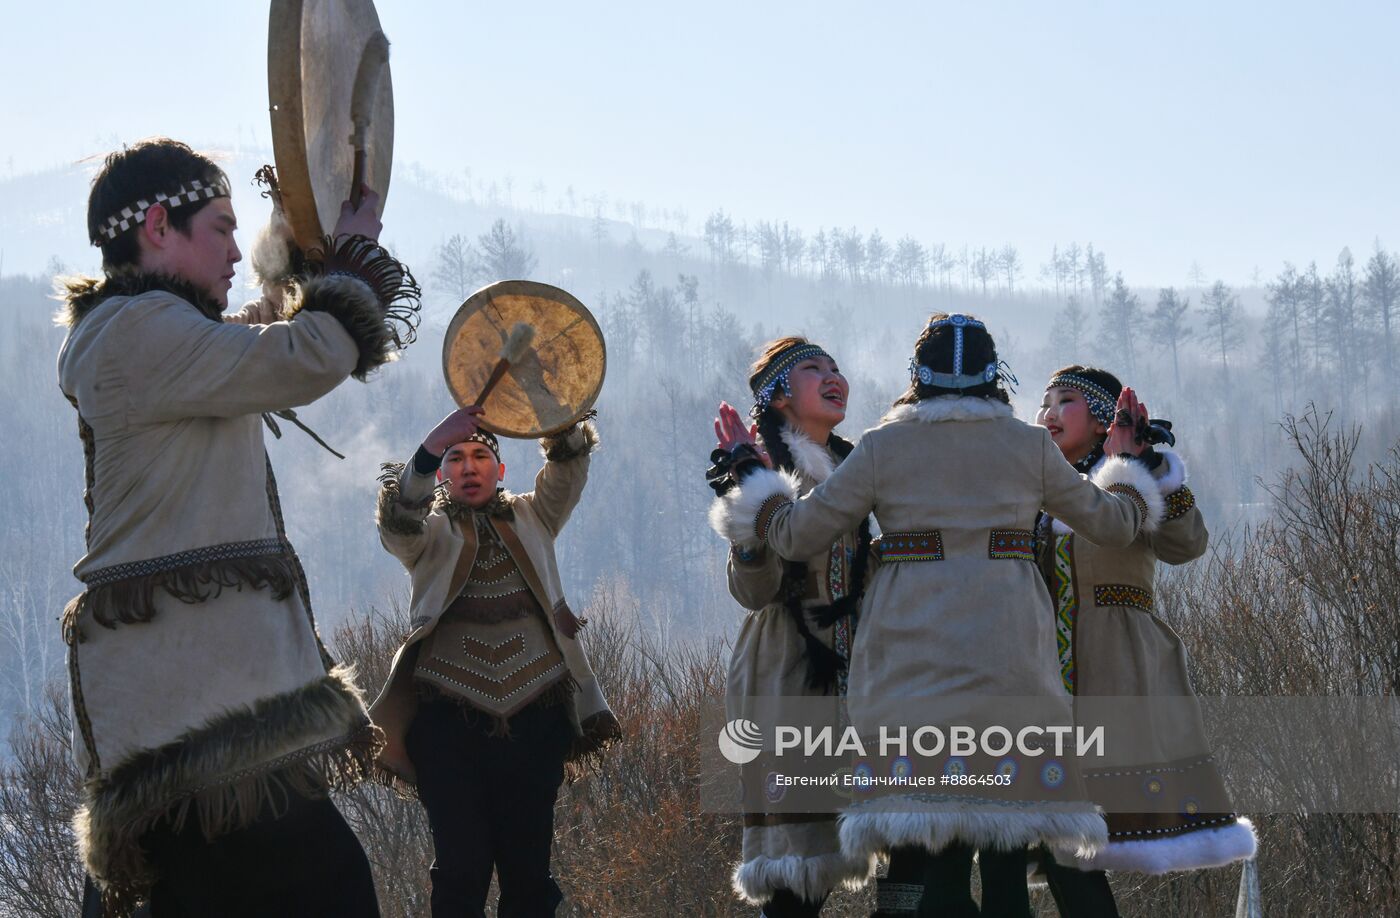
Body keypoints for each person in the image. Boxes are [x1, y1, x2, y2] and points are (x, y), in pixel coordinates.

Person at [58, 138, 420, 916]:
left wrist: (294, 242)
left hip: (188, 703)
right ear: (158, 226)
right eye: (221, 228)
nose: (233, 249)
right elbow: (302, 354)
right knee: (324, 889)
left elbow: (250, 339)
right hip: (199, 715)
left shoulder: (146, 332)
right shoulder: (140, 334)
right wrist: (352, 259)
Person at [710, 314, 1166, 918]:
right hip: (1014, 680)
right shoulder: (1028, 447)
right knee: (1005, 849)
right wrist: (1130, 467)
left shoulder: (878, 448)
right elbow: (1116, 523)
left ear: (917, 377)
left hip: (907, 682)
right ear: (991, 375)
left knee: (922, 856)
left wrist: (754, 482)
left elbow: (792, 535)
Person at [369, 405, 620, 917]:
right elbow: (398, 523)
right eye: (455, 458)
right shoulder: (427, 534)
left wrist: (556, 408)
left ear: (500, 469)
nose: (468, 467)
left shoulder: (535, 515)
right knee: (461, 872)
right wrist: (429, 445)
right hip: (446, 725)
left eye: (481, 455)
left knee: (528, 876)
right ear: (442, 473)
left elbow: (568, 467)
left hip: (537, 718)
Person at [1031, 366, 1255, 914]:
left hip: (1118, 667)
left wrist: (1148, 467)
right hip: (1038, 676)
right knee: (1042, 831)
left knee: (1080, 834)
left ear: (1106, 419)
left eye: (1066, 402)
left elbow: (1188, 544)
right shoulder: (1032, 488)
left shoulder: (1134, 479)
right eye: (1045, 403)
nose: (1049, 414)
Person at [707, 338, 878, 917]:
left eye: (836, 367)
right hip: (788, 671)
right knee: (797, 868)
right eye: (812, 369)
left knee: (891, 838)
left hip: (863, 667)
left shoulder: (859, 468)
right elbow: (752, 591)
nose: (834, 377)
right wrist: (753, 494)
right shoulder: (763, 469)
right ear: (780, 395)